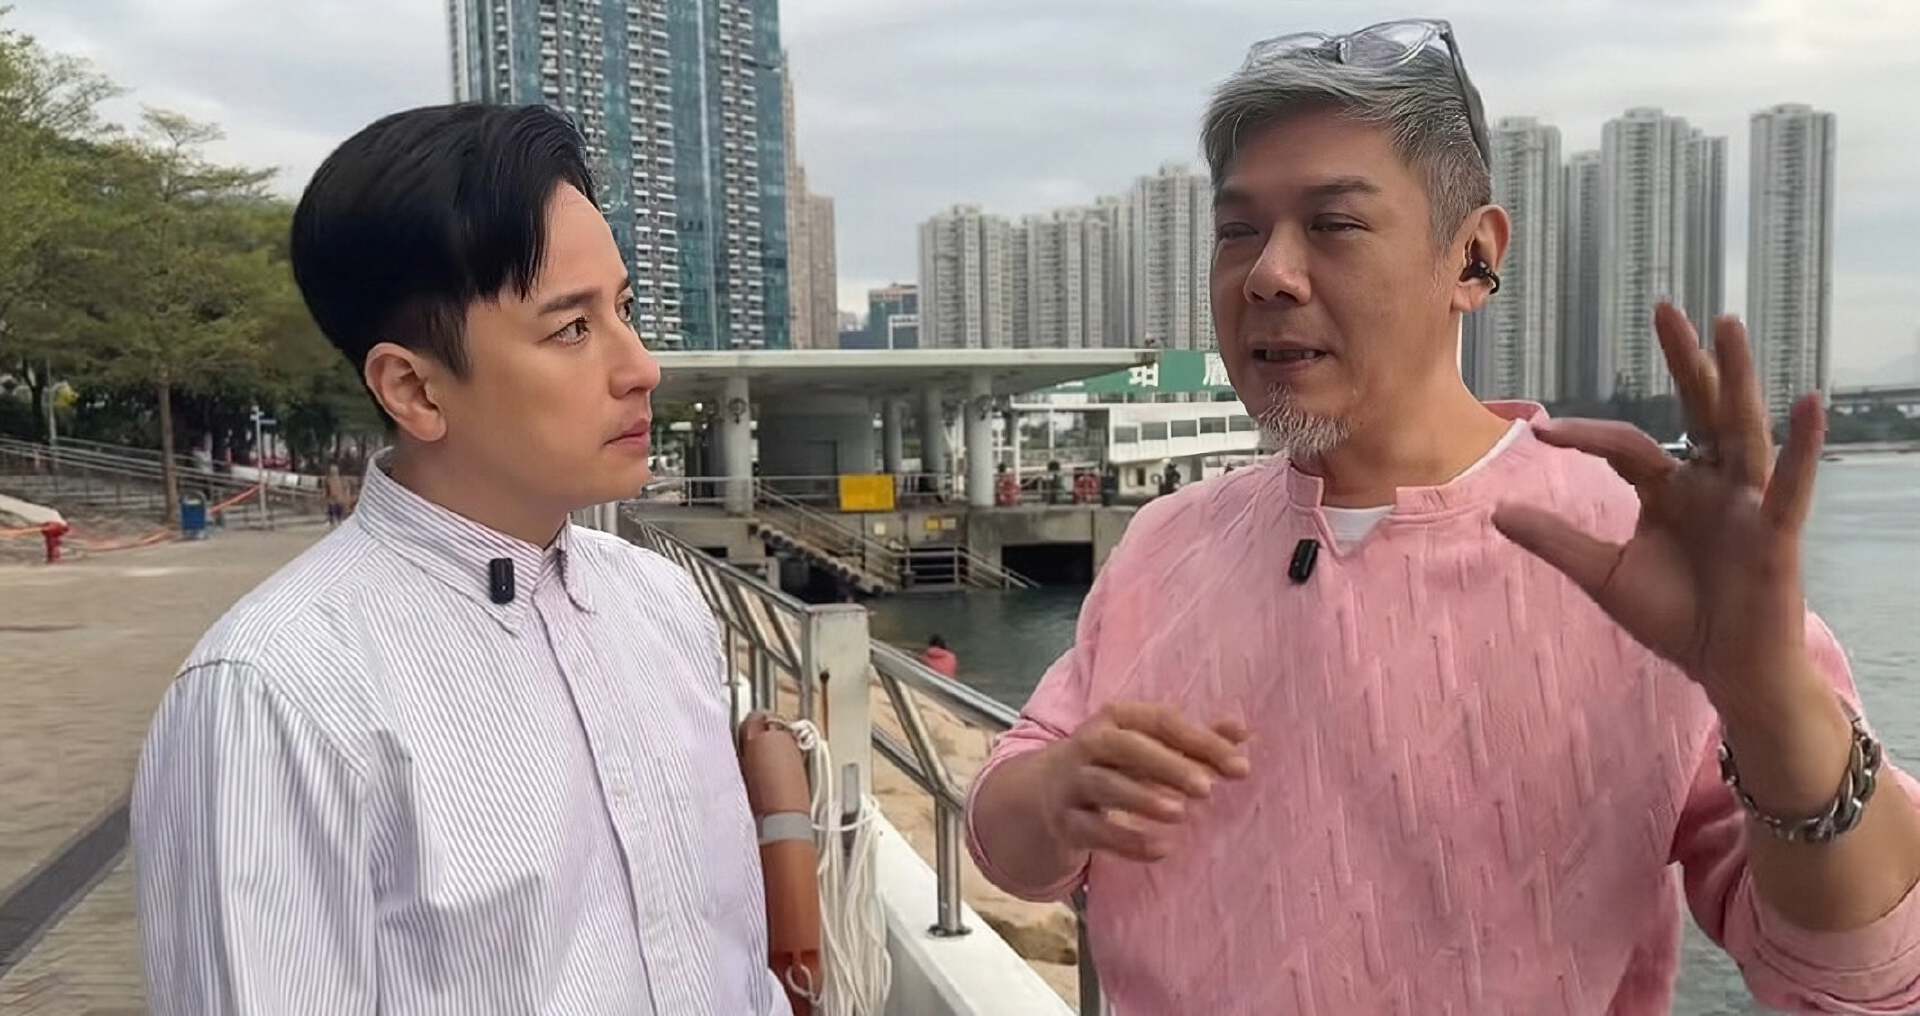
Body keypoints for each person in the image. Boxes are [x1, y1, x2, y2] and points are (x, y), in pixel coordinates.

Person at [964, 19, 1920, 1014]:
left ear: (1472, 258)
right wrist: (1058, 791)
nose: (1267, 274)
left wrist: (1771, 699)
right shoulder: (1167, 542)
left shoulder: (1633, 551)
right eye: (1237, 230)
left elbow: (1869, 971)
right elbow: (1006, 834)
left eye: (1333, 224)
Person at [131, 104, 787, 1015]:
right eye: (572, 329)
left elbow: (733, 963)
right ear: (414, 388)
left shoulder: (661, 604)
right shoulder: (276, 695)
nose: (641, 367)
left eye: (625, 310)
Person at [323, 461, 353, 527]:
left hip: (340, 499)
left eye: (334, 470)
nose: (333, 471)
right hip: (332, 498)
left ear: (337, 470)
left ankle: (339, 520)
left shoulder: (341, 479)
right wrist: (326, 496)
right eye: (332, 470)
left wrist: (346, 497)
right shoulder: (328, 480)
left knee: (339, 510)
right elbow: (327, 490)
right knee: (331, 508)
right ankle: (331, 521)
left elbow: (345, 488)